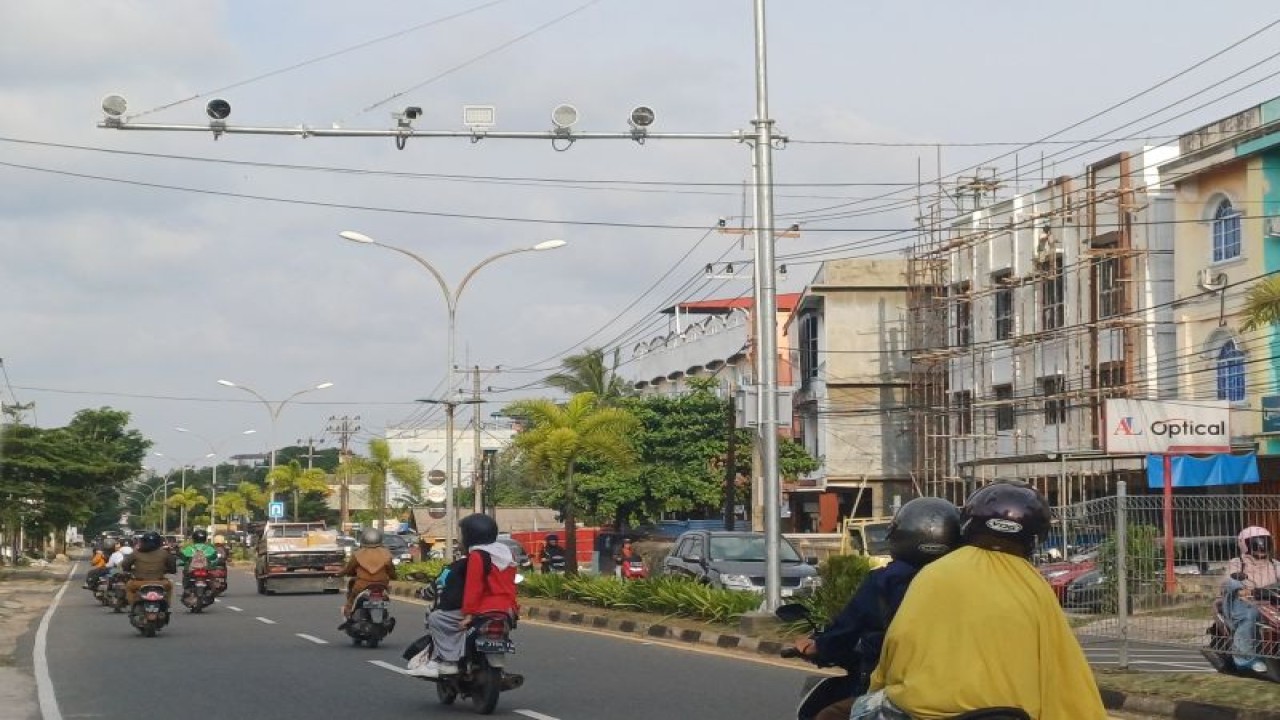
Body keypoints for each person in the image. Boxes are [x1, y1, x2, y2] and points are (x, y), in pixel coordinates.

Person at [853, 481, 1107, 720]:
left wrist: (879, 684)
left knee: (842, 711)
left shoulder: (934, 574)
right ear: (1034, 539)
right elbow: (1064, 670)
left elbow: (896, 646)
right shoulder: (1035, 587)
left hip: (925, 712)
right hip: (1009, 714)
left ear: (968, 525)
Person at [790, 497, 961, 720]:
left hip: (905, 693)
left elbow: (846, 631)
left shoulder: (887, 581)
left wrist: (818, 647)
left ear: (901, 536)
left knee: (828, 715)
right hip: (968, 691)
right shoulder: (970, 580)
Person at [412, 513, 519, 678]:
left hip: (483, 608)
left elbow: (473, 588)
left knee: (437, 619)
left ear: (470, 535)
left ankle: (448, 662)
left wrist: (469, 614)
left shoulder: (477, 556)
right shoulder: (506, 553)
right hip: (507, 609)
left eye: (462, 534)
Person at [1221, 526, 1280, 673]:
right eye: (1257, 543)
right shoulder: (1238, 563)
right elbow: (1228, 580)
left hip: (1271, 601)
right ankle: (1245, 659)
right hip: (1244, 603)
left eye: (1265, 543)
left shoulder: (1275, 564)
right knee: (1251, 615)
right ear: (1245, 545)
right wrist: (1241, 589)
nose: (1262, 547)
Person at [337, 528, 397, 630]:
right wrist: (393, 576)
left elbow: (349, 569)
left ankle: (348, 616)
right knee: (386, 598)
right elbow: (391, 570)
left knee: (352, 599)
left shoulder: (357, 554)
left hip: (362, 585)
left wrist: (340, 573)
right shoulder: (386, 554)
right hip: (381, 585)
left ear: (363, 540)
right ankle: (385, 617)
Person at [120, 531, 177, 606]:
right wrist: (166, 570)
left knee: (128, 586)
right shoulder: (165, 553)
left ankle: (133, 606)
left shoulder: (136, 553)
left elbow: (125, 565)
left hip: (139, 583)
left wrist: (129, 570)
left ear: (143, 541)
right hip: (160, 583)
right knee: (170, 585)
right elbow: (173, 568)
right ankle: (166, 605)